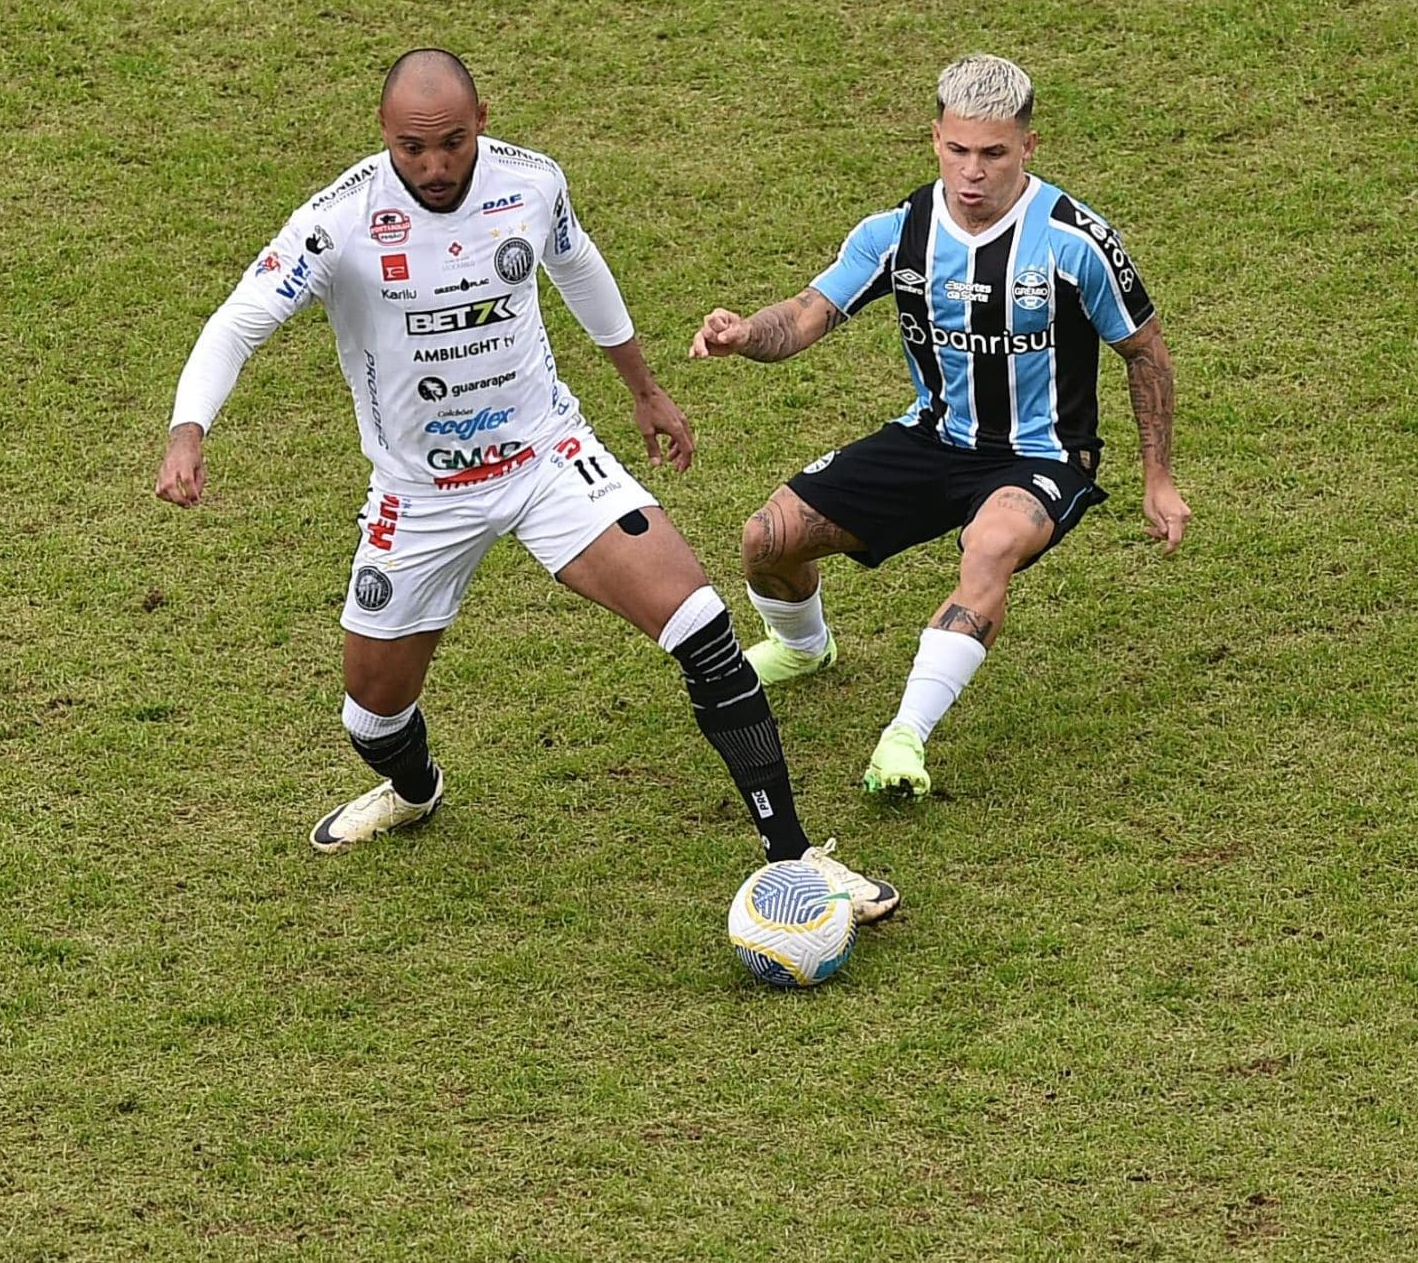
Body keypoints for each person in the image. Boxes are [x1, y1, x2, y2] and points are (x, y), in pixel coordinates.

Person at [155, 48, 895, 920]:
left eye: (454, 143)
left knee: (702, 628)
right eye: (413, 148)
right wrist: (188, 428)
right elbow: (241, 319)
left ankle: (796, 857)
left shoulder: (531, 184)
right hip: (420, 495)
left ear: (483, 121)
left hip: (546, 458)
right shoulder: (338, 222)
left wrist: (645, 389)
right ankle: (415, 790)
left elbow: (578, 268)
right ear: (383, 136)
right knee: (372, 717)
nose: (435, 167)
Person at [689, 53, 1191, 797]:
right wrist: (741, 334)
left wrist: (1158, 477)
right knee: (766, 539)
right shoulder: (898, 233)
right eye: (958, 150)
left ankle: (904, 739)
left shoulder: (1074, 240)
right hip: (934, 437)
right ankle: (802, 649)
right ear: (935, 140)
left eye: (993, 152)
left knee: (989, 546)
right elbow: (804, 317)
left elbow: (1144, 352)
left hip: (1043, 455)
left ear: (1028, 147)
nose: (973, 171)